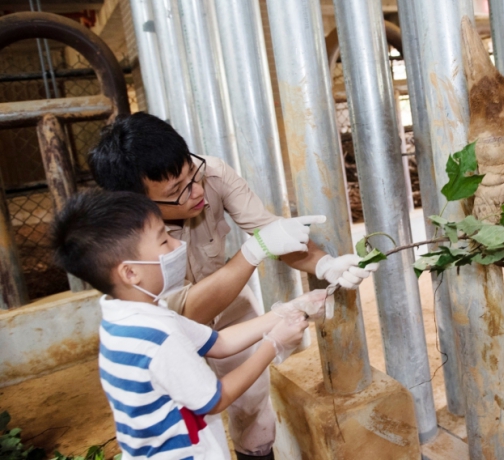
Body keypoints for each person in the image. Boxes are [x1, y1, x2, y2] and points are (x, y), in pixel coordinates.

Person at [88, 113, 377, 459]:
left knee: (254, 402)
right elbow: (188, 321)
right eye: (177, 191)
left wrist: (324, 265)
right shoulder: (128, 245)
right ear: (141, 204)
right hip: (174, 308)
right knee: (195, 406)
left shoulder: (209, 172)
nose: (196, 191)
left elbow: (269, 233)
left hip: (227, 295)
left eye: (189, 173)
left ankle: (255, 452)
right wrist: (256, 254)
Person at [51, 190, 330, 460]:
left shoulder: (127, 316)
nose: (177, 246)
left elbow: (219, 343)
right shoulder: (159, 339)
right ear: (130, 272)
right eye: (164, 242)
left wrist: (294, 307)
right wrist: (273, 345)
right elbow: (216, 399)